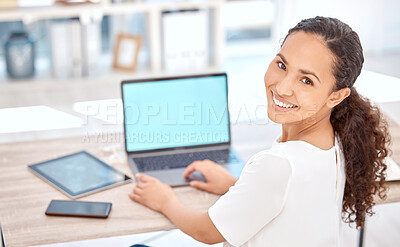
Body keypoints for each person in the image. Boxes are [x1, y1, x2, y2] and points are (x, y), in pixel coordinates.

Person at [128, 16, 391, 246]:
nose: (283, 87)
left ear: (336, 96)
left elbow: (206, 232)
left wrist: (165, 200)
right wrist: (237, 185)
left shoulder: (276, 165)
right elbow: (292, 201)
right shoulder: (335, 138)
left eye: (306, 80)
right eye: (282, 65)